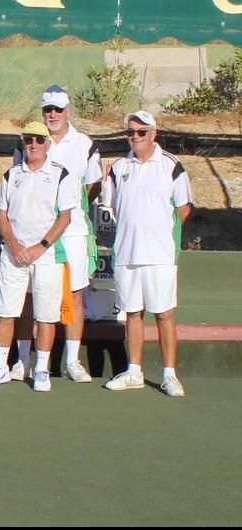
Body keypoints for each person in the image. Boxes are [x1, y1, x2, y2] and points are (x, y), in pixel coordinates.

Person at [10, 85, 102, 382]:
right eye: (48, 109)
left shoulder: (85, 144)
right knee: (28, 297)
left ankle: (72, 361)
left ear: (68, 111)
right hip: (34, 236)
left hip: (72, 233)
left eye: (58, 109)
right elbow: (17, 181)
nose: (52, 115)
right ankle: (23, 361)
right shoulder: (30, 140)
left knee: (74, 296)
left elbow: (92, 186)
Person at [102, 111, 193, 397]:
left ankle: (169, 374)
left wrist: (159, 231)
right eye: (130, 132)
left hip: (160, 255)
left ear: (154, 133)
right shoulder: (118, 167)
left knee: (164, 314)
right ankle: (134, 371)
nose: (135, 136)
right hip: (127, 254)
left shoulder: (171, 165)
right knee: (133, 314)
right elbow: (113, 208)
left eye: (141, 131)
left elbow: (183, 208)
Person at [0, 122, 77, 392]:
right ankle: (1, 365)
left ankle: (42, 369)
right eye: (28, 140)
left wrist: (42, 246)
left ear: (47, 143)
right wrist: (13, 245)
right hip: (13, 256)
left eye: (38, 139)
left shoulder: (61, 175)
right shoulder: (11, 175)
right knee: (6, 311)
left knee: (46, 315)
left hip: (47, 257)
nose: (33, 145)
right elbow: (1, 213)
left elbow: (65, 216)